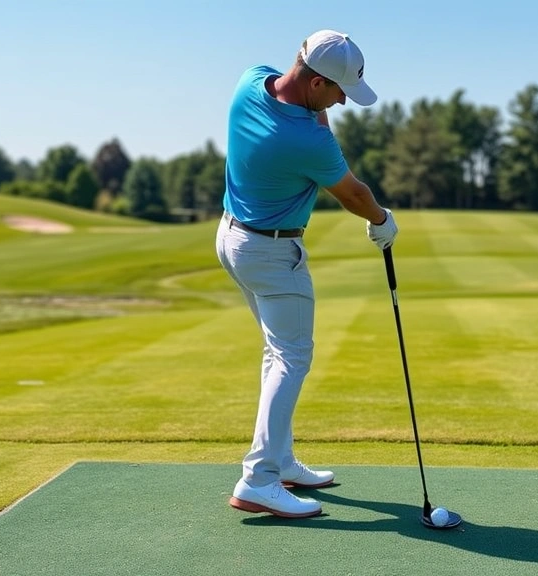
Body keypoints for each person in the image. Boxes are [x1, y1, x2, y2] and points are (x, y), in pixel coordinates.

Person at [216, 29, 398, 519]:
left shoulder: (250, 81)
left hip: (232, 239)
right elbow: (354, 194)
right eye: (338, 92)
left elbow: (300, 102)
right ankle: (259, 478)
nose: (341, 102)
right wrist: (382, 222)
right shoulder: (308, 140)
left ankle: (280, 460)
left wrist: (315, 103)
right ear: (317, 83)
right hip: (273, 253)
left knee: (276, 355)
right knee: (292, 358)